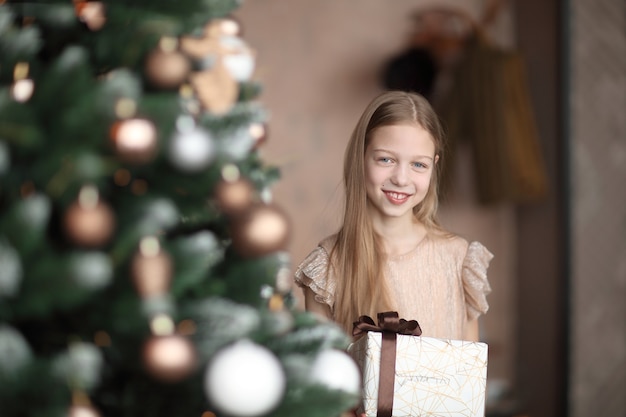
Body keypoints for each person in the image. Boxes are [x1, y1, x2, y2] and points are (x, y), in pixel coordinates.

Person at [294, 90, 492, 342]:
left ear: (434, 165)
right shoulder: (328, 267)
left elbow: (470, 373)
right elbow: (321, 376)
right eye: (386, 159)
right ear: (361, 158)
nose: (401, 178)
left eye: (418, 164)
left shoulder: (458, 258)